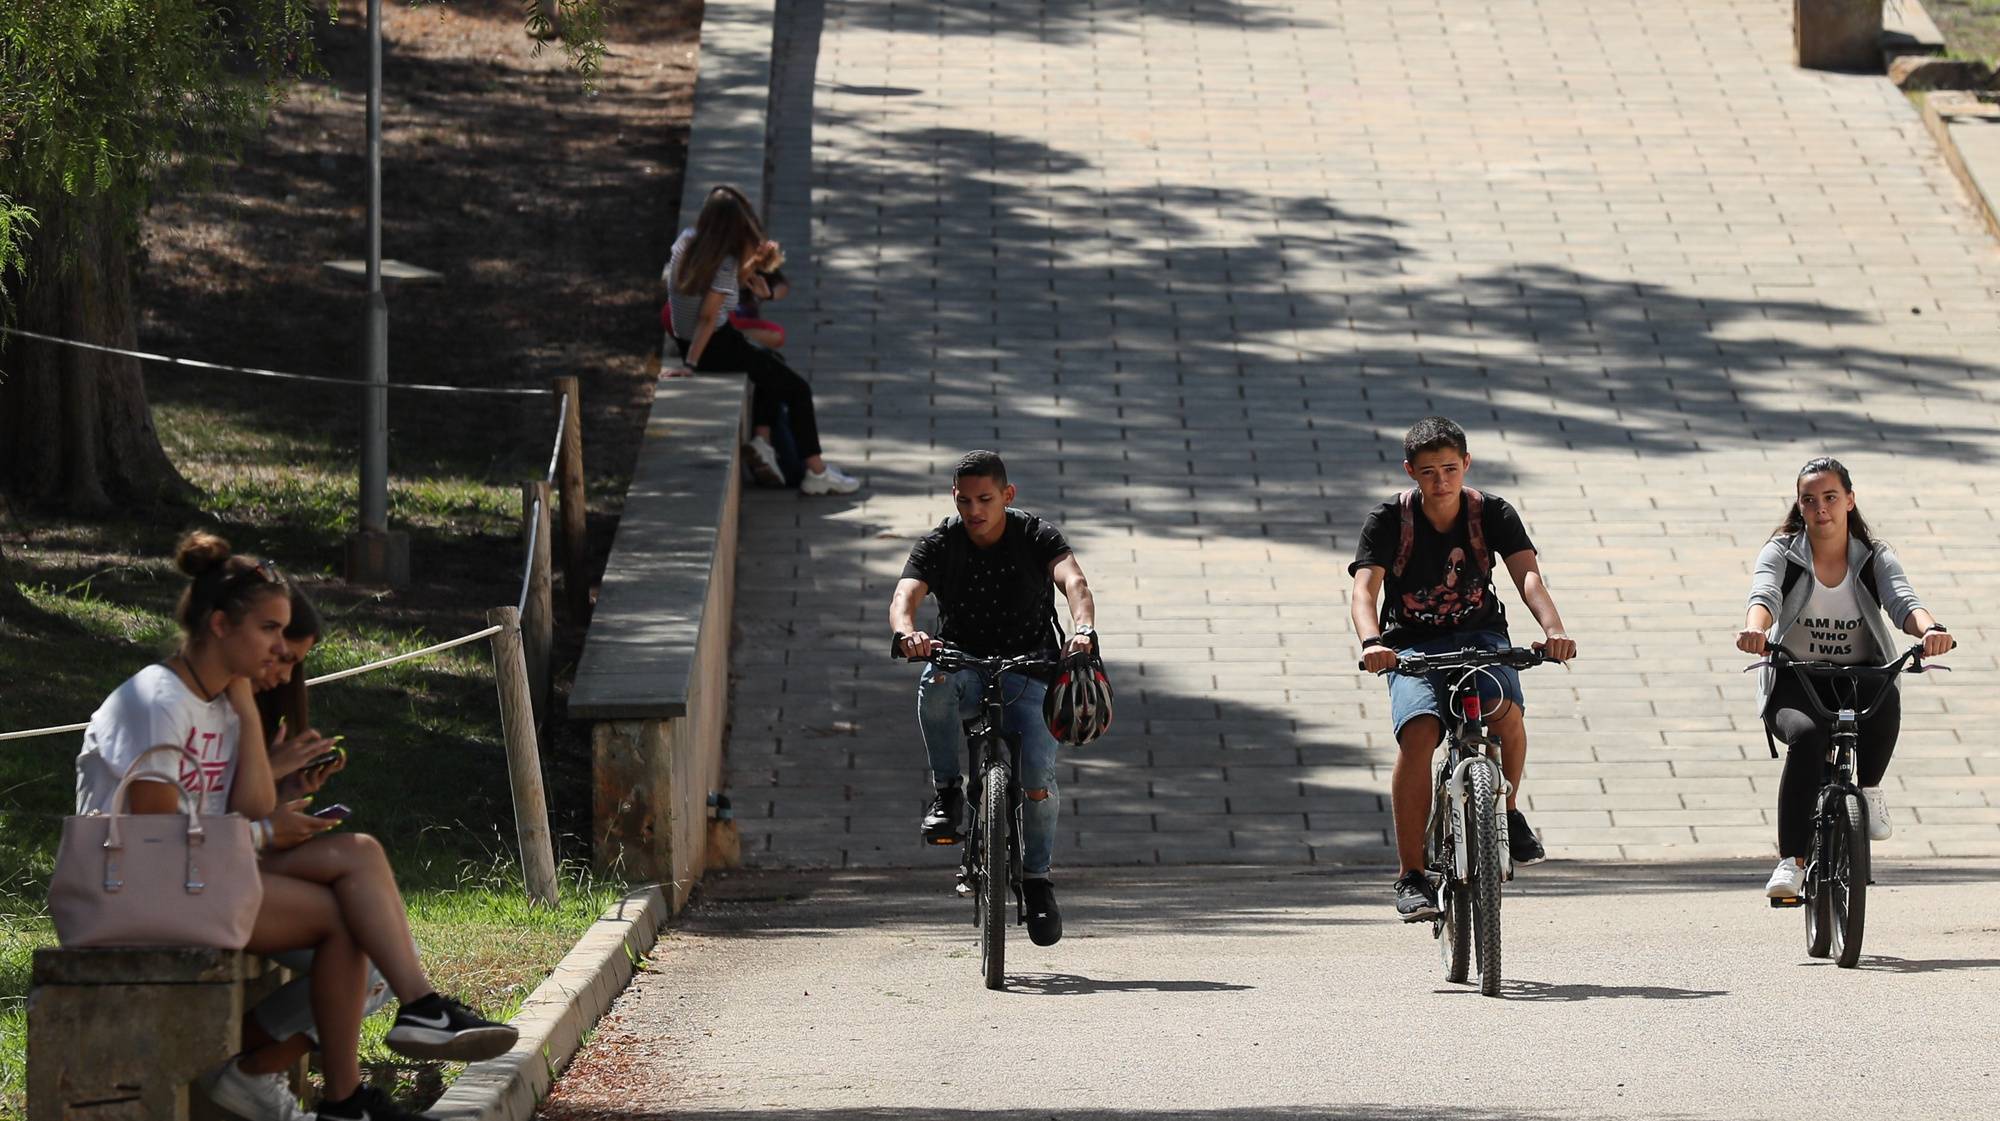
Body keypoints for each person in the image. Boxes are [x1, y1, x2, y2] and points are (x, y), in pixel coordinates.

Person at [73, 535, 515, 1121]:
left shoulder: (219, 703)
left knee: (359, 854)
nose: (282, 650)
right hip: (135, 888)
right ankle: (356, 1077)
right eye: (269, 632)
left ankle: (402, 1032)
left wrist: (240, 701)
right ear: (221, 624)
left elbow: (252, 805)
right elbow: (153, 831)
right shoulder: (156, 699)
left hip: (193, 876)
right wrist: (260, 835)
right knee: (349, 923)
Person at [1348, 417, 1578, 921]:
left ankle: (1509, 811)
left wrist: (1553, 629)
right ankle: (1411, 875)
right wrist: (1372, 642)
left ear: (1467, 464)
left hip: (1480, 637)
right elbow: (1364, 589)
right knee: (1419, 733)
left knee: (1505, 711)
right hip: (1411, 646)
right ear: (1410, 471)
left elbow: (1528, 576)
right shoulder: (1389, 520)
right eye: (1428, 472)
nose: (1441, 481)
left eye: (1450, 468)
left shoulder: (1490, 512)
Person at [887, 450, 1098, 946]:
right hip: (962, 664)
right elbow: (905, 596)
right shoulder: (942, 542)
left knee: (1038, 781)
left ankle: (1039, 881)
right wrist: (907, 633)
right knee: (933, 681)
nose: (974, 510)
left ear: (1007, 495)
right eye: (964, 500)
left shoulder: (1035, 535)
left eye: (985, 499)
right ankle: (947, 793)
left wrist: (1083, 629)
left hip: (1029, 669)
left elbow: (1075, 582)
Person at [1737, 457, 1952, 900]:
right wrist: (1756, 629)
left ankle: (1869, 789)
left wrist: (1930, 630)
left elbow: (1902, 601)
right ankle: (1791, 861)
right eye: (1810, 500)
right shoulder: (1782, 552)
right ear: (1799, 507)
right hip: (1798, 676)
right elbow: (1765, 594)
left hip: (1861, 673)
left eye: (1831, 497)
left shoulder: (1874, 556)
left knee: (1887, 691)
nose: (1821, 509)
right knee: (1808, 738)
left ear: (1850, 501)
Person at [663, 185, 858, 496]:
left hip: (689, 337)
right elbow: (709, 317)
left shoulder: (687, 241)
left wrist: (753, 277)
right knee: (798, 389)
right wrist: (691, 365)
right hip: (714, 343)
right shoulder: (724, 263)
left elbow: (705, 296)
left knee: (771, 367)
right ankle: (817, 472)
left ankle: (763, 441)